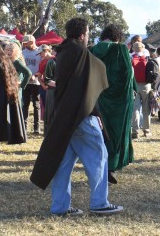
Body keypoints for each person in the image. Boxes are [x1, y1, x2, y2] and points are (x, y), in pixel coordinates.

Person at [30, 17, 123, 216]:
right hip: (81, 115)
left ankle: (60, 207)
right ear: (82, 35)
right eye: (88, 34)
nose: (88, 37)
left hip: (64, 116)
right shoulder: (81, 53)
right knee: (99, 158)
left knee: (64, 163)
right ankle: (99, 203)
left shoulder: (62, 52)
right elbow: (96, 73)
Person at [90, 24, 136, 178]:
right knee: (117, 131)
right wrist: (131, 93)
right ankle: (112, 166)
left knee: (101, 130)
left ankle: (99, 163)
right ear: (118, 36)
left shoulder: (93, 50)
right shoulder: (121, 50)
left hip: (99, 96)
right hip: (120, 100)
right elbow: (128, 74)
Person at [20, 34, 43, 134]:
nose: (24, 44)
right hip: (25, 82)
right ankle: (24, 127)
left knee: (36, 105)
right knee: (25, 104)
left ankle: (36, 128)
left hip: (36, 82)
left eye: (26, 43)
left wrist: (36, 75)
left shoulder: (39, 52)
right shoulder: (22, 52)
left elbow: (42, 67)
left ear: (32, 42)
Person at [131, 42, 152, 137]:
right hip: (146, 85)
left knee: (135, 109)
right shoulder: (147, 57)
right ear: (142, 48)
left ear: (133, 48)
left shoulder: (130, 57)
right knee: (146, 108)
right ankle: (146, 131)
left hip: (134, 85)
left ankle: (135, 131)